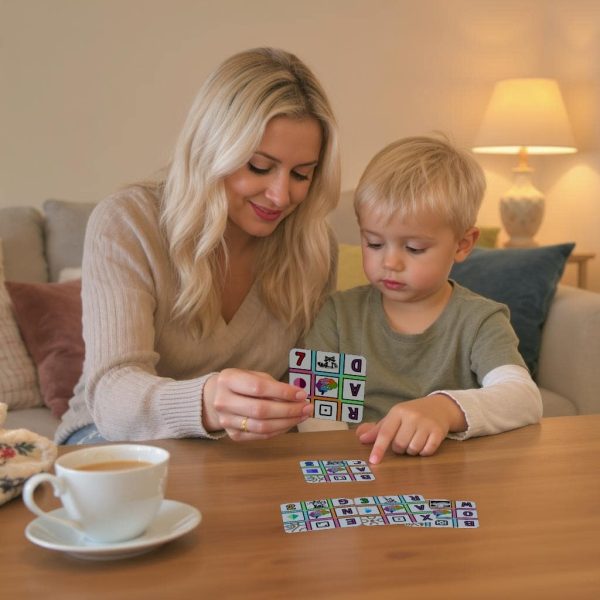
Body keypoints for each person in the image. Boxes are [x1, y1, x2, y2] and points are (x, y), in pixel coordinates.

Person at [55, 47, 340, 445]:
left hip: (237, 447)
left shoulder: (313, 245)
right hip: (112, 437)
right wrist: (206, 402)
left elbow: (317, 386)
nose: (280, 195)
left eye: (302, 174)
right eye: (259, 167)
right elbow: (113, 393)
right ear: (211, 149)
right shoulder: (127, 221)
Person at [301, 135, 542, 463]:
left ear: (463, 244)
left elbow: (524, 398)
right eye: (373, 243)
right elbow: (318, 416)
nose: (390, 262)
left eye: (414, 248)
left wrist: (444, 409)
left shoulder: (480, 320)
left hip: (450, 479)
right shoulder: (338, 316)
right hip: (358, 475)